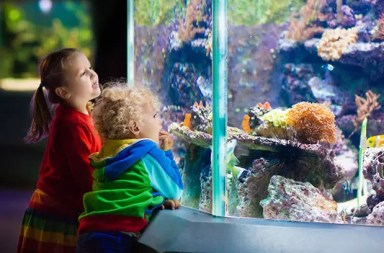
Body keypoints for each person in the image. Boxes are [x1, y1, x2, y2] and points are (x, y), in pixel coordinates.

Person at [76, 83, 184, 253]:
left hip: (90, 230)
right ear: (135, 127)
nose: (160, 122)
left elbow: (129, 187)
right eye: (155, 116)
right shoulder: (147, 151)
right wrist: (167, 153)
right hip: (122, 235)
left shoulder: (106, 153)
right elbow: (175, 190)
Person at [17, 48, 102, 253]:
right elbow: (86, 175)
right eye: (83, 73)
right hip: (57, 215)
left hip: (65, 208)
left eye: (90, 68)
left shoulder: (84, 112)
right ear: (63, 92)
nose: (92, 74)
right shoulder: (71, 124)